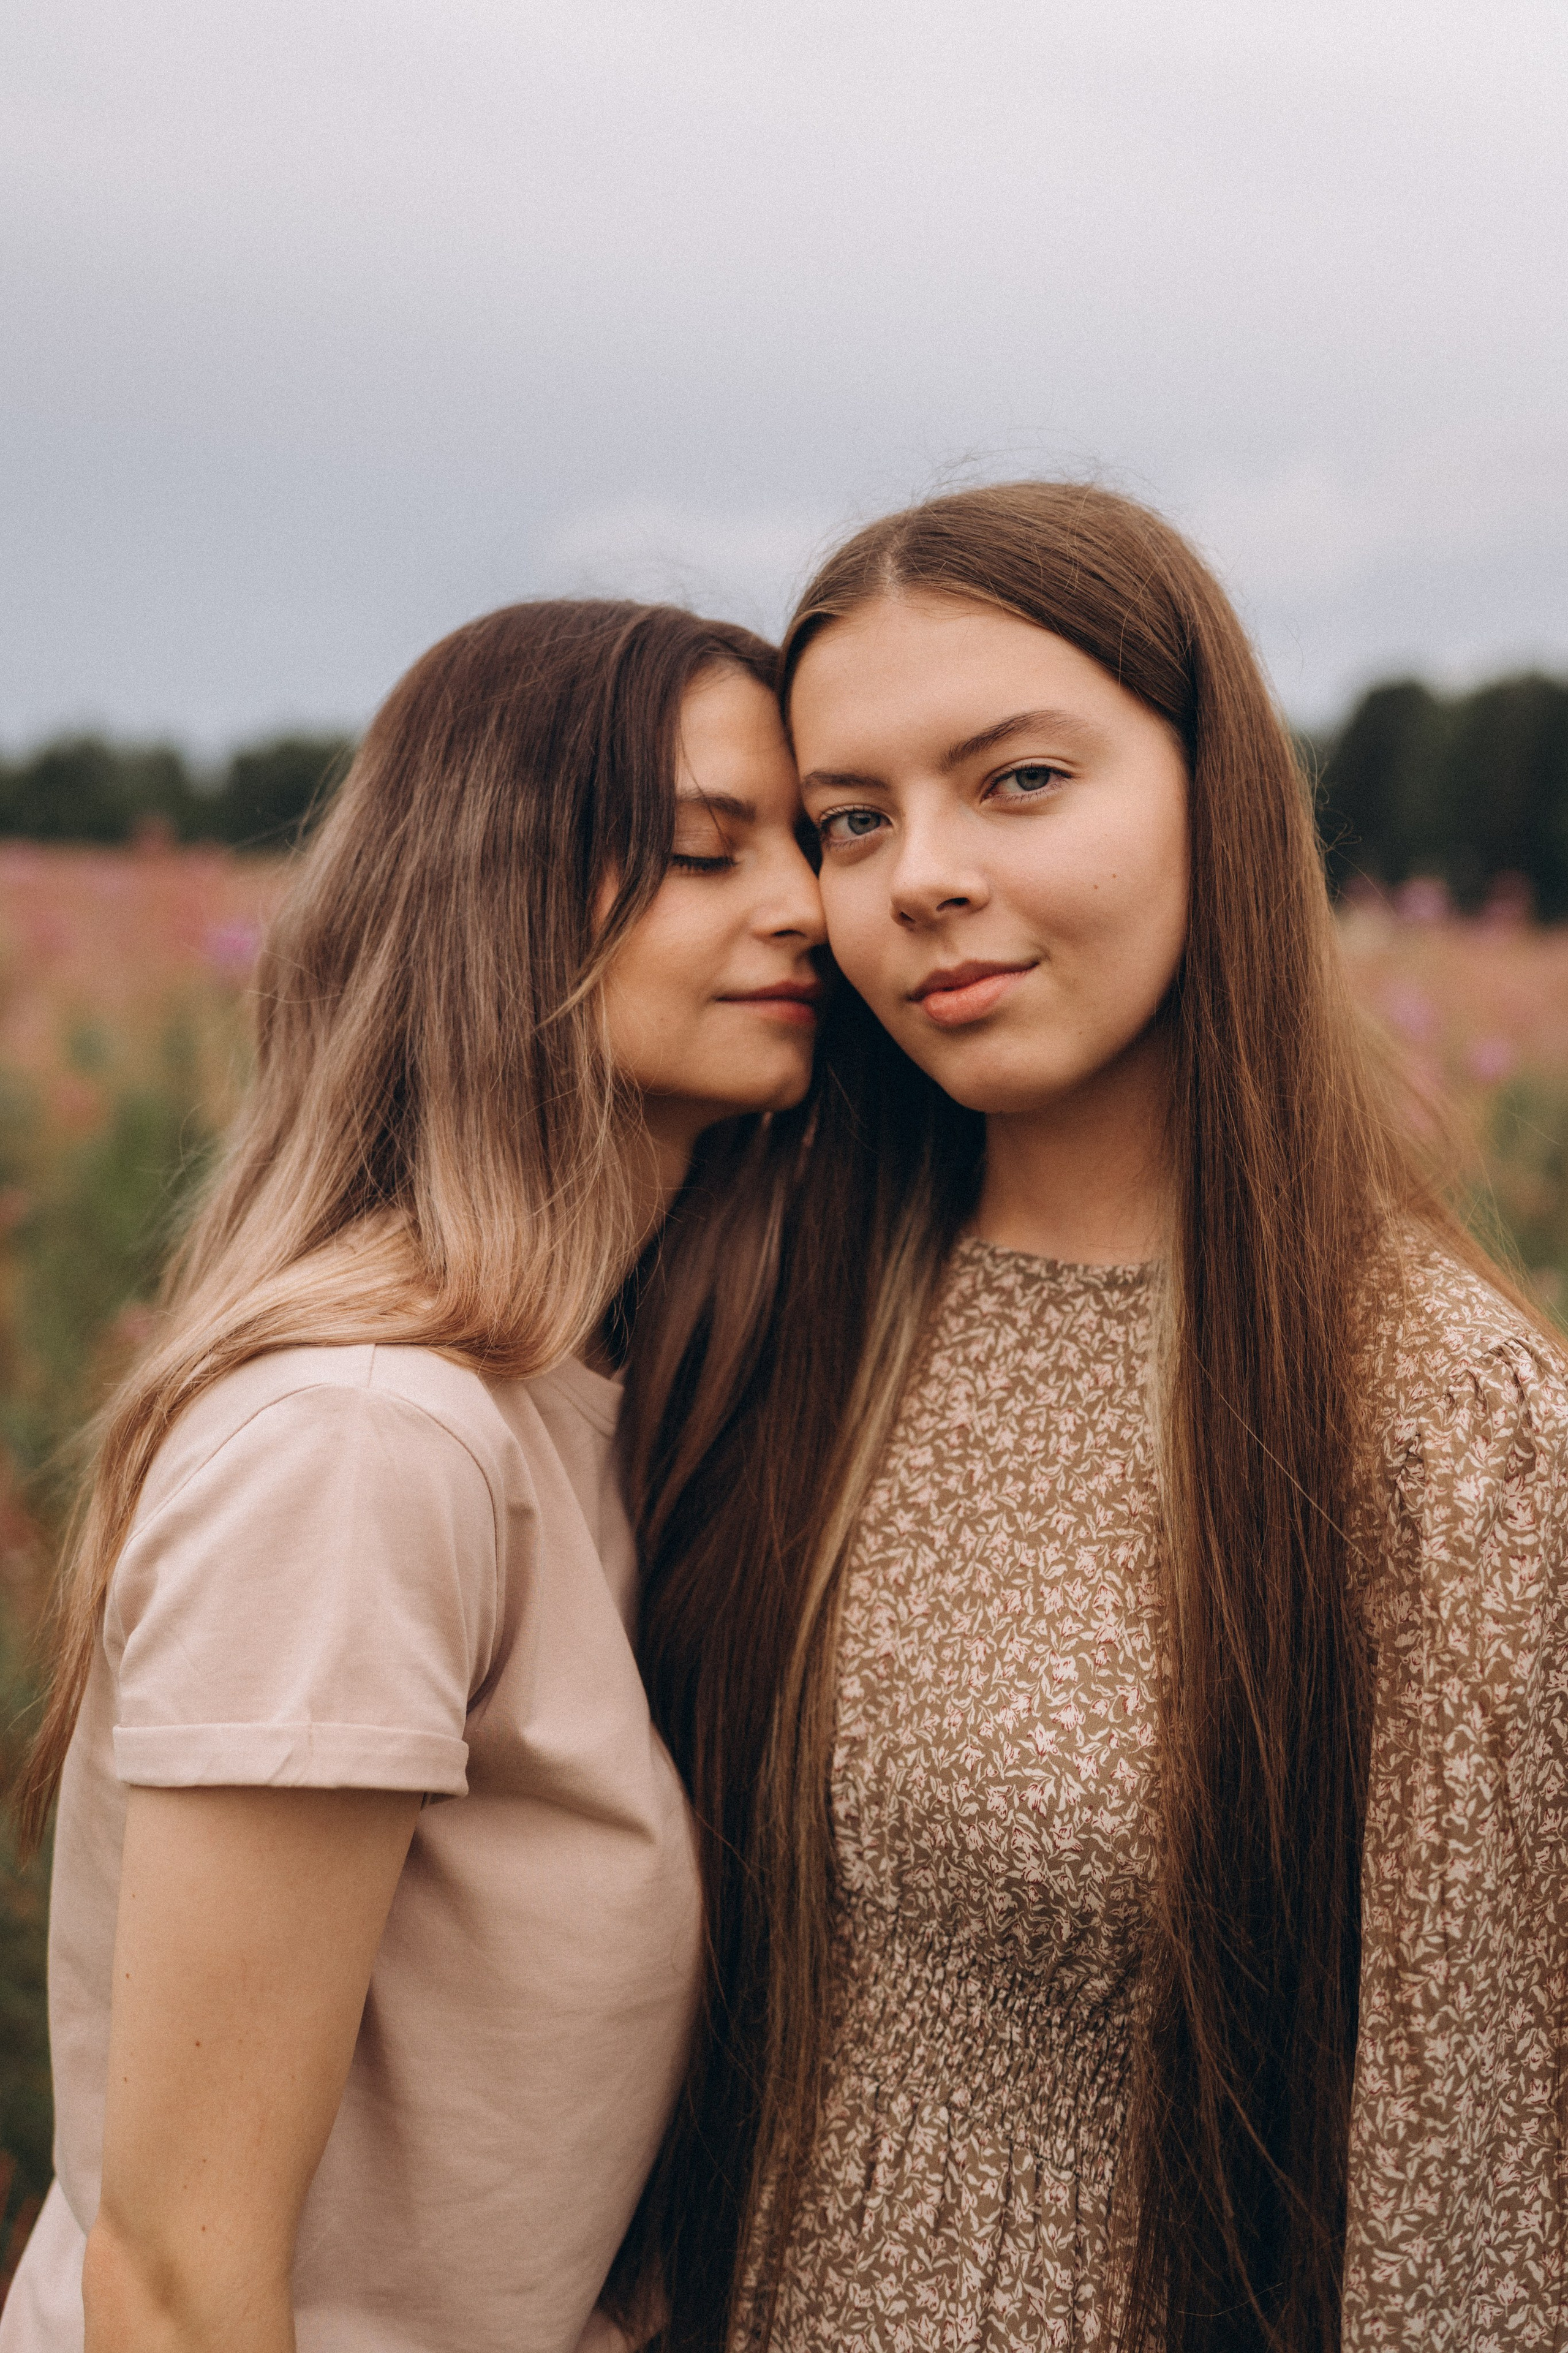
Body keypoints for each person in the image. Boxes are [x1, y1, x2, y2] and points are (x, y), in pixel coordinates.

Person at [620, 485, 1568, 2351]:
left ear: (1216, 791)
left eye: (1021, 780)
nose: (921, 877)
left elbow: (1471, 2208)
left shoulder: (1445, 1422)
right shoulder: (763, 1297)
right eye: (853, 820)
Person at [2, 598, 827, 2353]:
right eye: (702, 852)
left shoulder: (575, 1402)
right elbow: (174, 2275)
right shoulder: (368, 1440)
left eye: (808, 842)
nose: (804, 908)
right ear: (493, 901)